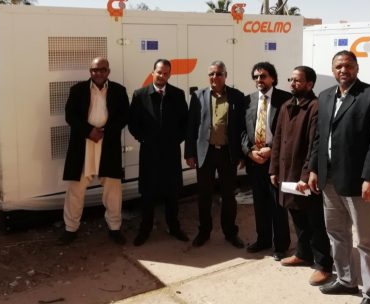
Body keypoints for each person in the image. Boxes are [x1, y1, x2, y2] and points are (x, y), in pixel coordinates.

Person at [308, 50, 370, 304]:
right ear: (333, 70)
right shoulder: (325, 96)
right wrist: (313, 169)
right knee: (337, 233)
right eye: (338, 66)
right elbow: (319, 137)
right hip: (329, 178)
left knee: (367, 240)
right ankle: (345, 280)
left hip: (358, 181)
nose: (343, 70)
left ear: (356, 68)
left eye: (348, 65)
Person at [268, 66, 333, 286]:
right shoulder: (286, 106)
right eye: (291, 79)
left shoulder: (315, 107)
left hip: (304, 175)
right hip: (287, 173)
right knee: (297, 216)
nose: (292, 83)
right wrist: (274, 169)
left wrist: (306, 175)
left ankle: (323, 264)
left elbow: (316, 144)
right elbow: (277, 139)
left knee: (315, 221)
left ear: (309, 84)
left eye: (297, 80)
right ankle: (303, 254)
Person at [59, 57, 130, 246]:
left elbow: (124, 116)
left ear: (108, 71)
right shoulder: (78, 90)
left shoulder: (119, 90)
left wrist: (105, 132)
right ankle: (70, 229)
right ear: (90, 71)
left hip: (108, 144)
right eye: (94, 70)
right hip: (83, 144)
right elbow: (70, 115)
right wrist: (89, 131)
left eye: (102, 69)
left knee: (113, 190)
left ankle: (115, 228)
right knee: (76, 189)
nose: (98, 73)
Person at [185, 60, 246, 249]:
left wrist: (242, 154)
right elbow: (191, 127)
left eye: (219, 73)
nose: (215, 77)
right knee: (204, 196)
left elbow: (242, 128)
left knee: (228, 196)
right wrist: (189, 153)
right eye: (211, 74)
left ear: (225, 75)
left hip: (228, 153)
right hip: (206, 153)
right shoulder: (198, 96)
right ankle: (204, 232)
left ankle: (230, 233)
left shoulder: (237, 96)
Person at [128, 59, 189, 246]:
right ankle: (145, 229)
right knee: (148, 193)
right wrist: (144, 139)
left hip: (171, 152)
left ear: (169, 75)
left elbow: (184, 123)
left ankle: (174, 227)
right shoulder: (140, 95)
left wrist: (175, 140)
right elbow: (133, 124)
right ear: (153, 72)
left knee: (172, 192)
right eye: (159, 72)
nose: (162, 76)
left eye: (165, 73)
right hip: (149, 153)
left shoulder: (177, 94)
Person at [241, 62, 291, 259]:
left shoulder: (285, 100)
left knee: (278, 205)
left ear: (273, 78)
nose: (259, 80)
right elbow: (242, 130)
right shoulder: (248, 100)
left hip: (275, 161)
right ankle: (263, 240)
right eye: (256, 77)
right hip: (255, 161)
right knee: (259, 204)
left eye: (263, 76)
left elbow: (288, 131)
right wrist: (248, 152)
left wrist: (271, 150)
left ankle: (281, 246)